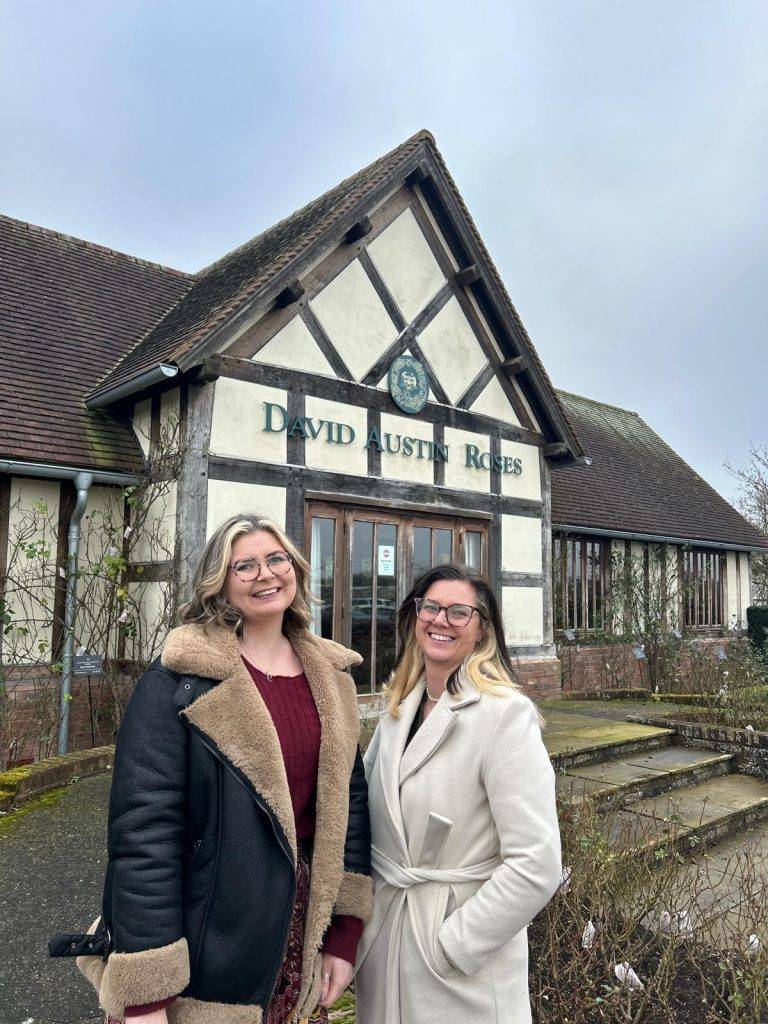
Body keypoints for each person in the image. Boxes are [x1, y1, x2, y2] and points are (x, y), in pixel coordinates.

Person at [50, 514, 373, 1024]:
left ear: (296, 569)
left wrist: (344, 935)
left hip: (298, 932)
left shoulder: (333, 680)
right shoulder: (178, 682)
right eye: (243, 565)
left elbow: (349, 810)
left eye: (275, 559)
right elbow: (145, 832)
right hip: (206, 933)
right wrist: (147, 994)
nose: (264, 574)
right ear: (219, 584)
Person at [355, 563, 561, 1024]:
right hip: (387, 942)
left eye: (459, 612)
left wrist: (454, 944)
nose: (440, 620)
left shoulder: (505, 715)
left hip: (457, 970)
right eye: (431, 606)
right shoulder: (396, 709)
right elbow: (365, 817)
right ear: (414, 616)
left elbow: (537, 863)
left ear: (481, 630)